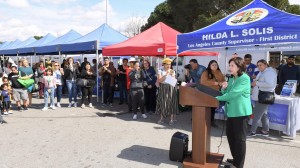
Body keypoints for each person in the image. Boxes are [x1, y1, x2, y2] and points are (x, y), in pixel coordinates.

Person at [215, 57, 252, 168]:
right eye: (229, 65)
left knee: (240, 139)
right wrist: (223, 88)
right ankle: (236, 158)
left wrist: (216, 98)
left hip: (240, 113)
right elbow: (226, 92)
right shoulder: (232, 78)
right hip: (231, 112)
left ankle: (239, 165)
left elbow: (233, 94)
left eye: (232, 66)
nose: (230, 67)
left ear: (239, 67)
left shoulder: (244, 78)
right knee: (231, 137)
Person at [249, 59, 277, 137]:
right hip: (261, 96)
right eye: (258, 65)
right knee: (263, 114)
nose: (259, 67)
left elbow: (270, 84)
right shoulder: (263, 72)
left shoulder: (269, 72)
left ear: (265, 65)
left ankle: (252, 131)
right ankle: (265, 130)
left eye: (260, 65)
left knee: (257, 114)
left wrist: (256, 83)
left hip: (263, 96)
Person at [200, 60, 225, 127]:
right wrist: (214, 83)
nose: (214, 66)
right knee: (207, 108)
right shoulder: (206, 72)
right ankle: (204, 121)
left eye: (216, 65)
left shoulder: (219, 72)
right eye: (213, 65)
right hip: (207, 92)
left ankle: (211, 121)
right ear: (209, 66)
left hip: (216, 93)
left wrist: (223, 83)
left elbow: (223, 80)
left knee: (213, 108)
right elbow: (203, 82)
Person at [156, 58, 179, 125]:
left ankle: (171, 119)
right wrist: (166, 75)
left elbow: (174, 81)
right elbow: (160, 80)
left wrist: (172, 77)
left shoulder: (172, 71)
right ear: (164, 65)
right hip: (163, 87)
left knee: (171, 102)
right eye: (167, 64)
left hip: (170, 87)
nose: (169, 66)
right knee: (163, 102)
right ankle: (161, 118)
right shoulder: (160, 70)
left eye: (170, 64)